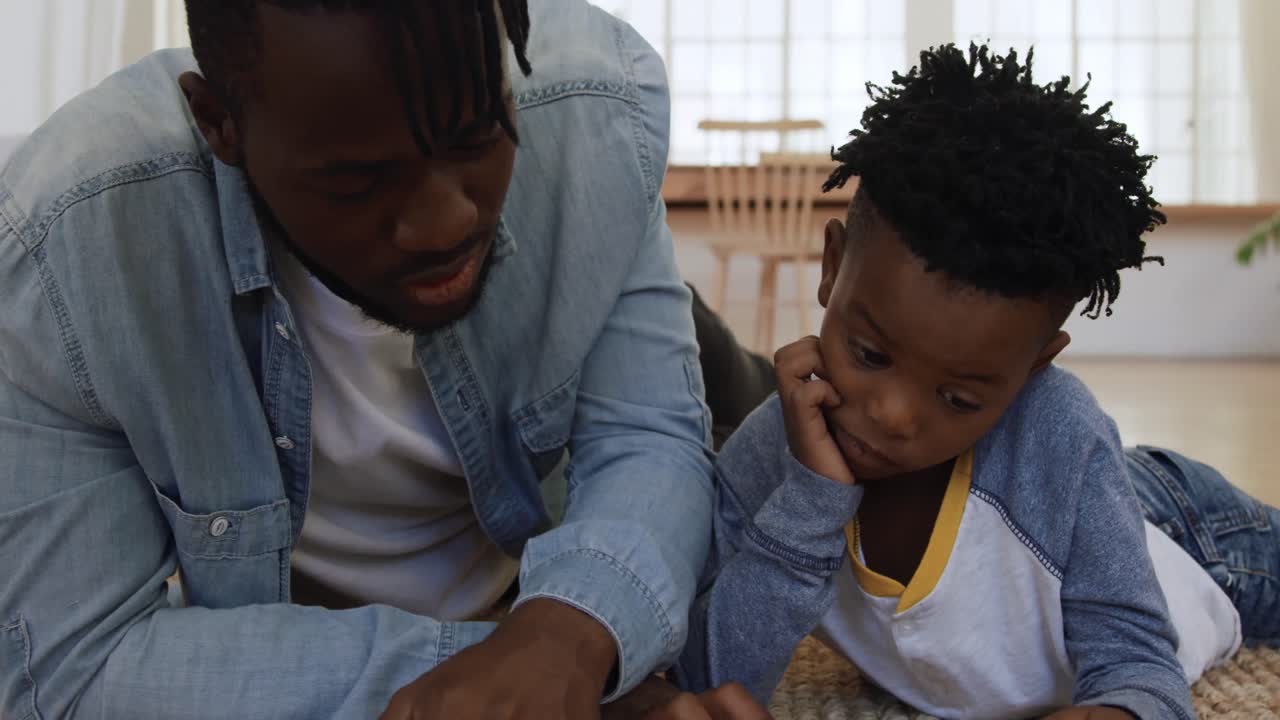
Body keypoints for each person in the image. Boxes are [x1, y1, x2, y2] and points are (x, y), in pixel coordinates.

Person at [0, 1, 733, 718]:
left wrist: (571, 632)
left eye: (477, 136)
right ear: (218, 121)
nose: (445, 222)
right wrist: (522, 665)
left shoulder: (591, 110)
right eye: (358, 182)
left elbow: (646, 436)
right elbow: (70, 666)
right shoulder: (66, 251)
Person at [661, 44, 1280, 720]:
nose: (894, 414)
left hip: (1189, 533)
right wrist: (810, 507)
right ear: (832, 267)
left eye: (959, 397)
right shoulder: (777, 449)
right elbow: (706, 676)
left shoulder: (1061, 439)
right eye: (869, 353)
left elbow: (1139, 670)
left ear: (1037, 364)